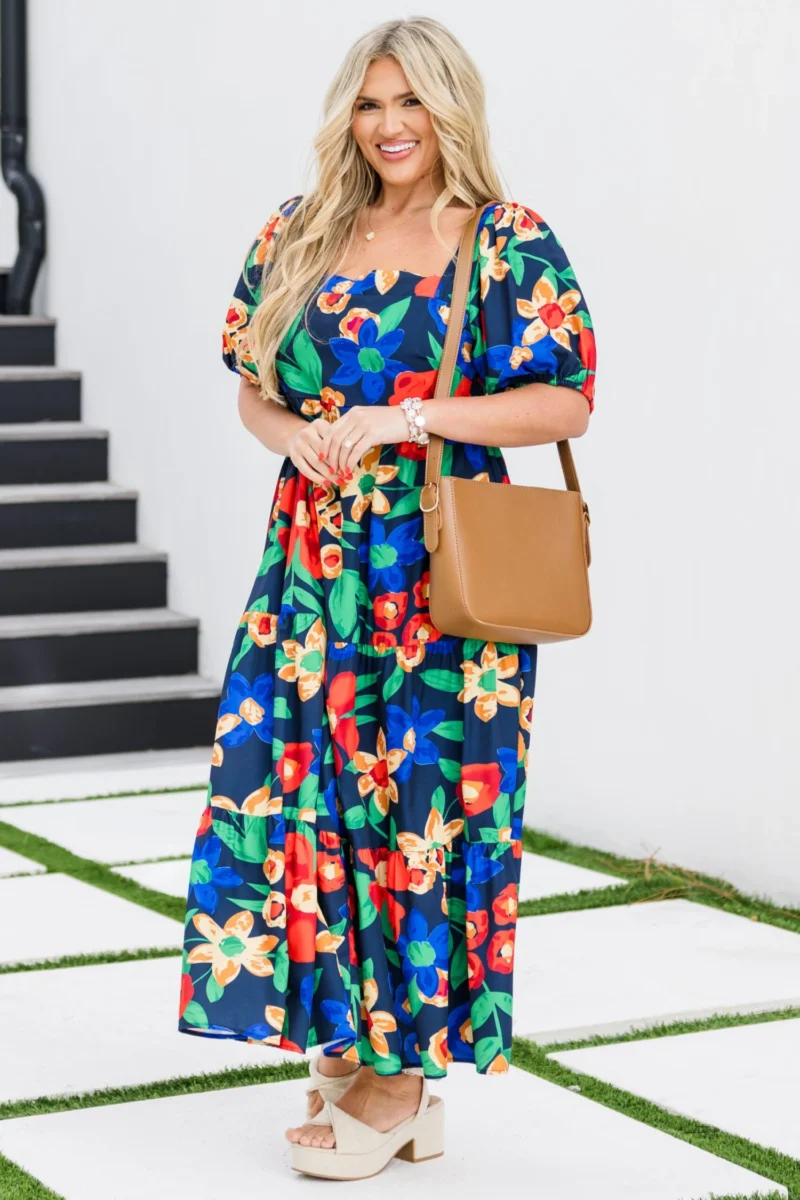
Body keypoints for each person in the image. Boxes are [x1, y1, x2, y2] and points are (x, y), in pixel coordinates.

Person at [177, 15, 595, 1180]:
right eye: (368, 103)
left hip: (436, 578)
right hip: (310, 574)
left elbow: (563, 403)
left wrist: (403, 418)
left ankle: (401, 1080)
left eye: (410, 101)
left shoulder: (503, 241)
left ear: (449, 108)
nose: (389, 124)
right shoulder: (300, 229)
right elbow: (253, 391)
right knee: (303, 795)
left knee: (419, 814)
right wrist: (298, 435)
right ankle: (352, 1048)